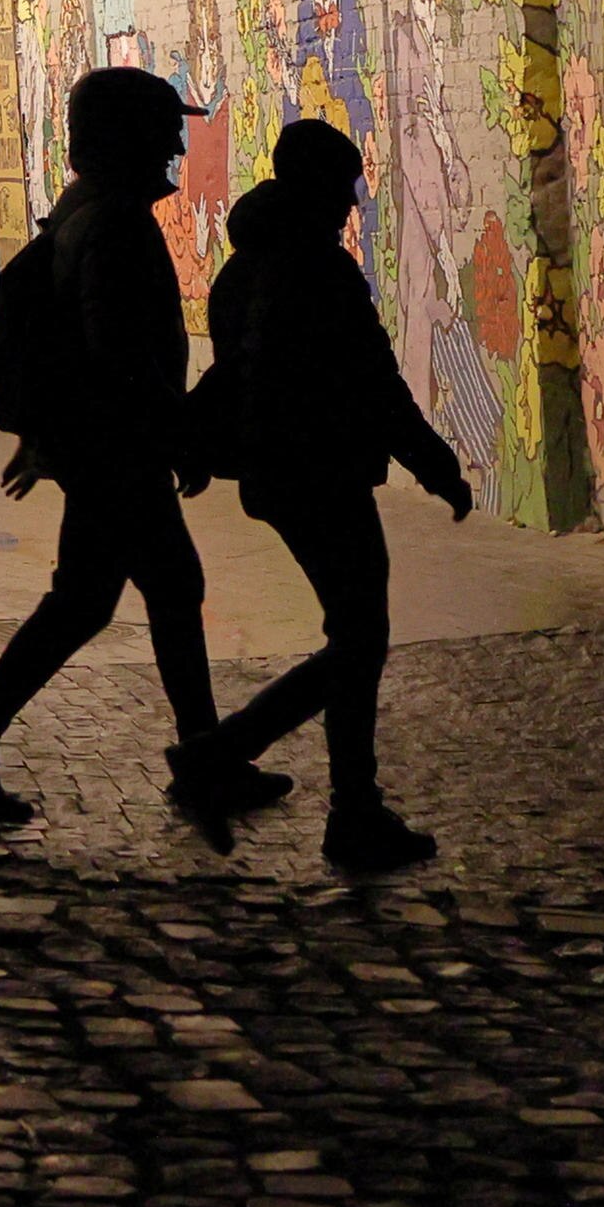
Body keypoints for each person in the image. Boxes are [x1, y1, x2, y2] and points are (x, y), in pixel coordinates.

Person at [0, 67, 294, 825]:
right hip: (119, 455)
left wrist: (54, 437)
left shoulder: (82, 216)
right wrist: (177, 437)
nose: (176, 146)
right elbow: (120, 357)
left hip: (102, 452)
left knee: (102, 599)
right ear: (126, 138)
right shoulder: (116, 228)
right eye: (163, 129)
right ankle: (200, 764)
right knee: (141, 593)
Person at [191, 116, 469, 870]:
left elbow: (232, 376)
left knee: (355, 636)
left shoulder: (243, 268)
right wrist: (435, 465)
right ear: (315, 186)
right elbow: (375, 382)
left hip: (277, 476)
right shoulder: (319, 269)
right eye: (344, 186)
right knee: (360, 638)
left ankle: (233, 755)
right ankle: (346, 808)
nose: (351, 202)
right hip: (324, 475)